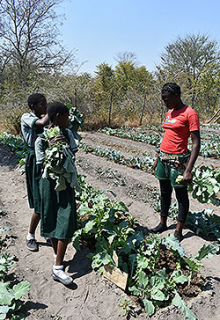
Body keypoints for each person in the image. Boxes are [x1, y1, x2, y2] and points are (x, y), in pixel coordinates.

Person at [35, 101, 78, 285]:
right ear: (58, 116)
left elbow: (73, 157)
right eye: (67, 116)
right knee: (52, 219)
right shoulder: (41, 139)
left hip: (65, 183)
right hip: (49, 184)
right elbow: (42, 165)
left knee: (66, 221)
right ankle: (57, 262)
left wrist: (64, 147)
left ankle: (57, 265)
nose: (69, 120)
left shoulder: (68, 134)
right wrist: (52, 147)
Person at [151, 83, 200, 242]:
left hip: (178, 160)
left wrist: (188, 170)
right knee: (164, 193)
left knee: (181, 195)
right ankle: (163, 223)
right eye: (163, 99)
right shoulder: (169, 112)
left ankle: (179, 230)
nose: (164, 102)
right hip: (164, 158)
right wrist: (157, 157)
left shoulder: (190, 114)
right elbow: (166, 136)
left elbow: (196, 143)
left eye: (166, 99)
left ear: (176, 96)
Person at [21, 93, 49, 251]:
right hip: (35, 162)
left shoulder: (47, 121)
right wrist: (53, 111)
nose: (45, 107)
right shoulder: (27, 117)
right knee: (39, 204)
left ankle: (46, 232)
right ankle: (30, 235)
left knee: (48, 200)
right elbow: (39, 123)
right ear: (33, 106)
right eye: (42, 104)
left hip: (46, 161)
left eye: (46, 104)